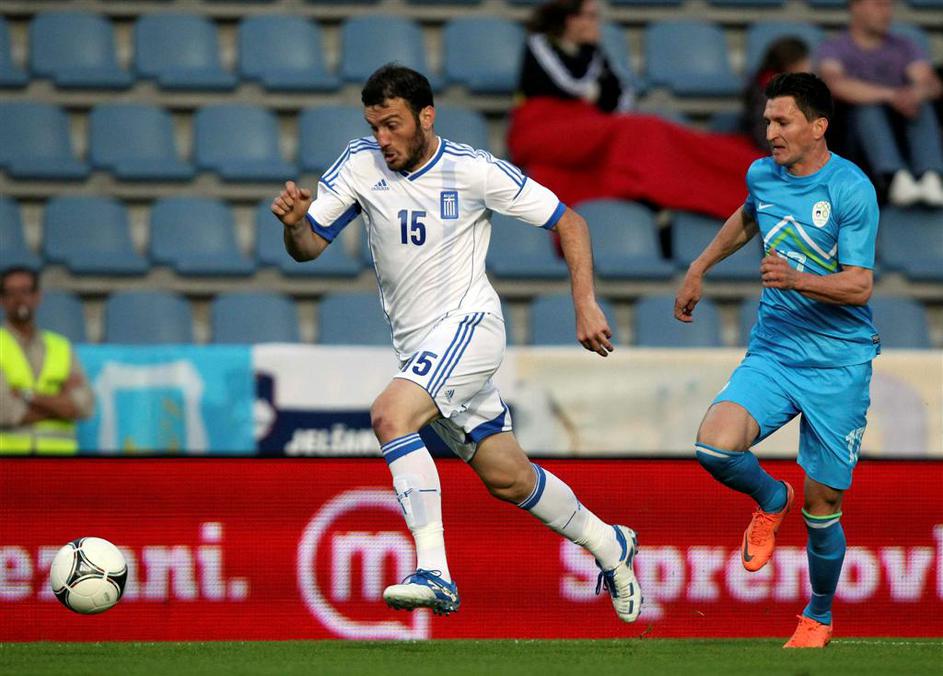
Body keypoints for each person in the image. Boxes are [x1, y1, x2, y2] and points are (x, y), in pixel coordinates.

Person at [271, 64, 642, 622]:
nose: (382, 139)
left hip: (469, 329)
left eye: (393, 125)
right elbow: (307, 248)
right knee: (508, 477)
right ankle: (610, 544)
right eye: (375, 126)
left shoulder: (472, 171)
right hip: (421, 349)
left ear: (426, 116)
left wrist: (585, 303)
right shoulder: (358, 164)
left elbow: (571, 223)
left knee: (391, 415)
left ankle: (434, 571)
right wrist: (295, 225)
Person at [674, 73, 879, 648]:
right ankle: (770, 497)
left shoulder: (852, 189)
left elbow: (860, 287)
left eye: (782, 121)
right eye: (767, 121)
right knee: (713, 445)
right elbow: (748, 216)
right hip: (776, 349)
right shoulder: (762, 174)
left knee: (824, 504)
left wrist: (797, 278)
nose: (770, 132)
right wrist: (700, 267)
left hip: (839, 363)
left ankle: (817, 615)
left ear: (818, 127)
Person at [508, 0, 763, 220]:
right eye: (591, 16)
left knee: (648, 130)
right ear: (571, 20)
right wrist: (596, 91)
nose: (596, 23)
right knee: (640, 129)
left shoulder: (592, 53)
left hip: (585, 122)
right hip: (542, 127)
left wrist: (597, 90)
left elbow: (618, 96)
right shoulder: (539, 45)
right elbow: (569, 85)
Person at [817, 0, 943, 207]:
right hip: (856, 138)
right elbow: (835, 84)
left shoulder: (904, 46)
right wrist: (892, 95)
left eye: (888, 6)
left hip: (902, 128)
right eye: (879, 5)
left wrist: (914, 95)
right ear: (856, 7)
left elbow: (931, 83)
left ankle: (930, 176)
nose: (886, 12)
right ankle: (894, 177)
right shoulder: (834, 48)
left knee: (923, 105)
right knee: (868, 109)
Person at [0, 267, 94, 453]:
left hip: (58, 463)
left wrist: (27, 395)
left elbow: (84, 406)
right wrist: (61, 403)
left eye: (25, 291)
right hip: (9, 466)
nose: (19, 299)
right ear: (2, 300)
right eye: (11, 293)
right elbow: (5, 412)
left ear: (37, 296)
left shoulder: (61, 346)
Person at [742, 38, 812, 150]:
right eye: (805, 61)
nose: (808, 66)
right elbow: (764, 133)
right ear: (792, 64)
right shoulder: (769, 92)